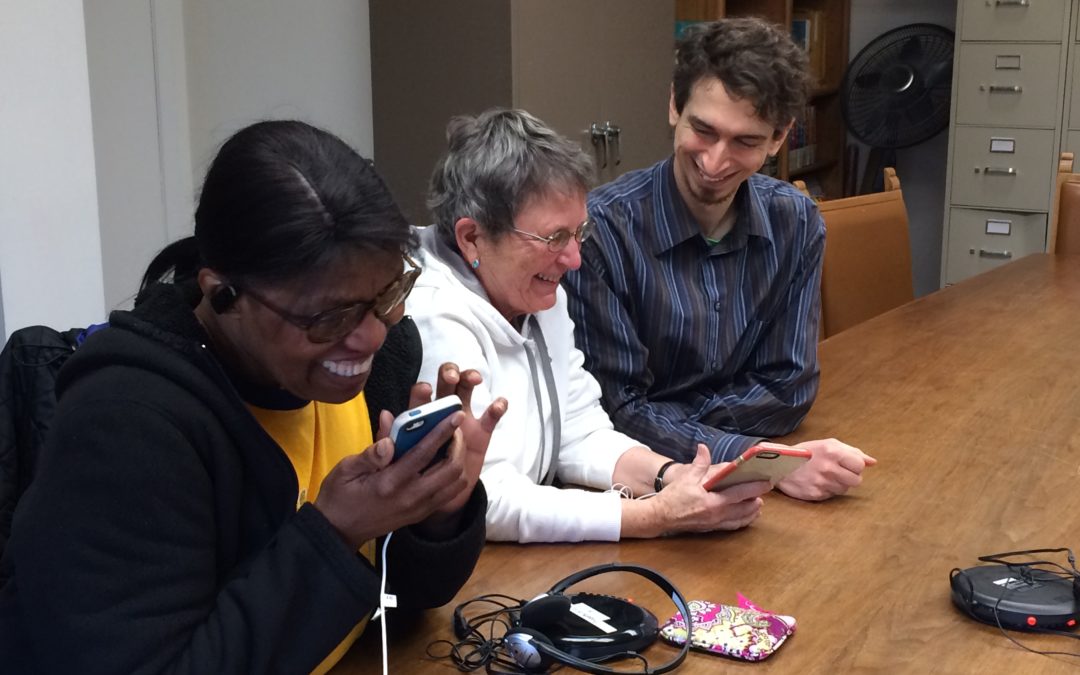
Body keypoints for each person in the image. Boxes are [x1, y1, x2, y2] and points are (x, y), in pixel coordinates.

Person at [0, 120, 505, 674]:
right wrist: (335, 532)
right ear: (224, 294)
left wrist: (436, 508)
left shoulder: (381, 360)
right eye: (328, 316)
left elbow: (394, 601)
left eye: (388, 293)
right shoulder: (127, 424)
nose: (370, 335)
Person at [409, 108, 770, 543]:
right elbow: (484, 499)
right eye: (554, 238)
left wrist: (670, 477)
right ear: (472, 238)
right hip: (467, 570)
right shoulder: (431, 318)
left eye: (579, 232)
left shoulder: (534, 293)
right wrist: (652, 517)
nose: (574, 259)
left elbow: (578, 429)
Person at [563, 17, 875, 502]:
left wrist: (673, 420)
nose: (714, 162)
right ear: (674, 105)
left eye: (746, 141)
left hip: (697, 476)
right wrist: (764, 462)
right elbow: (616, 410)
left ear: (779, 138)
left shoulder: (796, 222)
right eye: (703, 130)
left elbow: (790, 387)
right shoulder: (600, 232)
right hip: (641, 494)